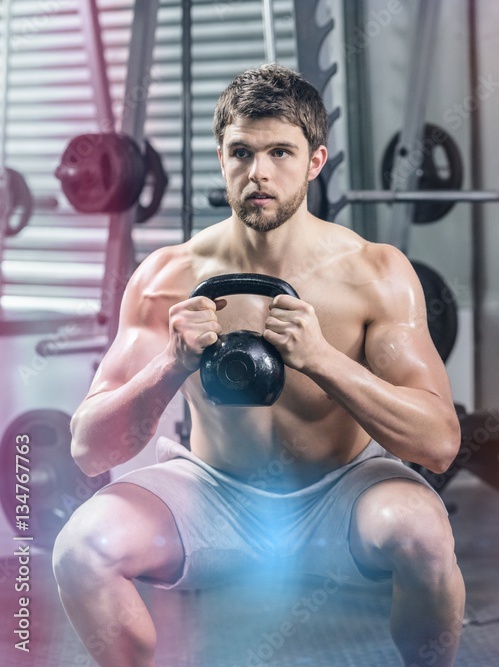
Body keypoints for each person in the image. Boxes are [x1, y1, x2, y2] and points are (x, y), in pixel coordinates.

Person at [52, 64, 465, 667]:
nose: (259, 173)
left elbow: (440, 443)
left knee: (424, 535)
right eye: (241, 152)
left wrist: (322, 360)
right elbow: (89, 448)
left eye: (280, 152)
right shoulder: (167, 277)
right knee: (80, 549)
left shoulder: (376, 273)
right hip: (212, 493)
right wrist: (170, 363)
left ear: (316, 161)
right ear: (221, 157)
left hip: (342, 495)